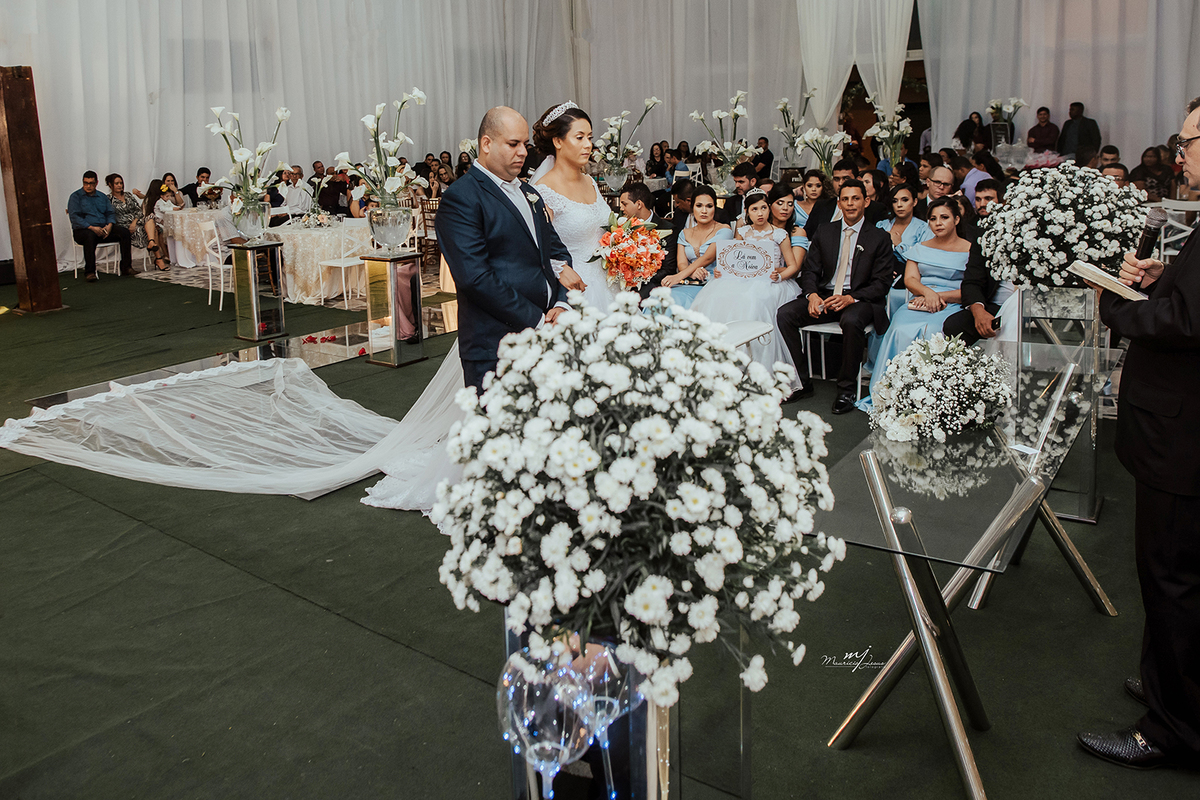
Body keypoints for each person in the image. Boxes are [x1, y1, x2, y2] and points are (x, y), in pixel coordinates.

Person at [1077, 95, 1200, 771]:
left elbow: (1186, 323)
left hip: (1183, 442)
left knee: (1172, 578)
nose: (1180, 153)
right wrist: (1162, 277)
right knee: (1177, 577)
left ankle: (1170, 728)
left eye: (1189, 141)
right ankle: (1171, 686)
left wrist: (1119, 308)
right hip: (1180, 431)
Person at [436, 105, 572, 391]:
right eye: (513, 144)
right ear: (486, 144)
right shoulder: (461, 198)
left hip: (548, 335)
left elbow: (557, 253)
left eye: (525, 144)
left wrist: (561, 303)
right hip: (495, 345)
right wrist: (538, 320)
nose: (523, 152)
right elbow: (475, 278)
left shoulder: (530, 192)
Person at [776, 179, 895, 413]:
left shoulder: (879, 237)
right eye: (845, 199)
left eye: (855, 198)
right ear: (839, 203)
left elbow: (882, 283)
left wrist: (851, 298)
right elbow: (810, 270)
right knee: (785, 314)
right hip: (825, 296)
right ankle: (802, 382)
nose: (850, 204)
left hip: (859, 299)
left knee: (851, 320)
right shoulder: (825, 231)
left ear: (866, 202)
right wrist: (811, 295)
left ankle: (846, 390)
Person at [857, 197, 971, 412]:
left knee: (934, 331)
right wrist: (927, 293)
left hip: (952, 302)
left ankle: (930, 396)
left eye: (944, 217)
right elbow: (910, 280)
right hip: (919, 300)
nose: (938, 223)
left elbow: (972, 288)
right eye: (933, 219)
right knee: (899, 327)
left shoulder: (970, 250)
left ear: (956, 219)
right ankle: (893, 391)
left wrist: (938, 296)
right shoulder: (920, 248)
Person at [690, 188, 801, 385]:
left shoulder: (779, 234)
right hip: (741, 280)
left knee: (753, 301)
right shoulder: (742, 232)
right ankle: (721, 361)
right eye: (754, 209)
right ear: (747, 212)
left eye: (763, 208)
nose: (760, 213)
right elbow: (733, 259)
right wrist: (721, 270)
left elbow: (792, 266)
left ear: (769, 209)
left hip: (770, 282)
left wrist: (779, 276)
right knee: (715, 296)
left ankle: (754, 365)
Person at [530, 102, 615, 311]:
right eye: (579, 137)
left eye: (590, 138)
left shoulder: (590, 181)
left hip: (609, 284)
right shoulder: (544, 191)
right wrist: (559, 269)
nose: (588, 145)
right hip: (575, 290)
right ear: (558, 141)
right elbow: (536, 248)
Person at [661, 185, 733, 309]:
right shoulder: (684, 233)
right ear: (692, 207)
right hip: (690, 281)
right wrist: (692, 272)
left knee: (678, 300)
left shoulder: (724, 230)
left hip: (715, 283)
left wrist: (677, 277)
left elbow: (707, 258)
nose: (704, 211)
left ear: (715, 208)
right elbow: (681, 264)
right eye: (699, 206)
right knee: (662, 299)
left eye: (709, 206)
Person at [69, 171, 133, 280]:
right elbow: (75, 217)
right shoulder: (76, 197)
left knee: (125, 232)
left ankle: (126, 267)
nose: (88, 186)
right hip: (84, 230)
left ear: (96, 183)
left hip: (103, 229)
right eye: (86, 183)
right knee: (89, 236)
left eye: (91, 183)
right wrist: (91, 227)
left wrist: (110, 225)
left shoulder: (102, 196)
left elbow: (110, 213)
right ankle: (90, 272)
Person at [619, 182, 677, 299]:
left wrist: (638, 278)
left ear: (639, 204)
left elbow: (668, 269)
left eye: (624, 204)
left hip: (651, 285)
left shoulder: (667, 229)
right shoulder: (621, 227)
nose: (621, 208)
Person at [877, 183, 932, 280]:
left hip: (910, 279)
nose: (899, 205)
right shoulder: (882, 225)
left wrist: (899, 244)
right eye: (895, 201)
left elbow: (923, 261)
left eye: (905, 200)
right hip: (880, 276)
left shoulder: (923, 228)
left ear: (914, 202)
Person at [803, 158, 859, 239]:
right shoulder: (821, 206)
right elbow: (807, 234)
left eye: (846, 178)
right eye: (836, 179)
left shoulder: (871, 208)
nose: (840, 183)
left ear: (858, 180)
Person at [104, 173, 148, 255]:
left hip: (136, 221)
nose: (119, 185)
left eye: (121, 183)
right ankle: (156, 253)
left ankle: (156, 252)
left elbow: (138, 210)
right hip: (123, 225)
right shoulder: (108, 199)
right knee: (148, 230)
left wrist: (135, 221)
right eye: (116, 183)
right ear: (110, 185)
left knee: (152, 222)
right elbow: (111, 216)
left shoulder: (128, 195)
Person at [791, 169, 826, 250]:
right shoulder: (794, 205)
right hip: (796, 245)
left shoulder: (828, 207)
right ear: (803, 187)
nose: (814, 189)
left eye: (818, 186)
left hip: (821, 247)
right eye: (809, 185)